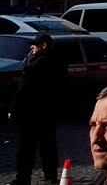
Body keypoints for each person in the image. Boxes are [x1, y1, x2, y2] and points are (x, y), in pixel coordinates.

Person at [7, 33, 67, 185]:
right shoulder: (59, 62)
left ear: (44, 45)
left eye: (35, 44)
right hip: (49, 112)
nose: (31, 47)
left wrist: (13, 109)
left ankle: (23, 178)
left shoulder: (35, 66)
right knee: (48, 147)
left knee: (26, 149)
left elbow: (23, 90)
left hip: (32, 113)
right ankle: (50, 176)